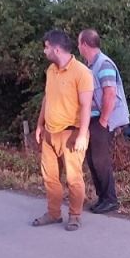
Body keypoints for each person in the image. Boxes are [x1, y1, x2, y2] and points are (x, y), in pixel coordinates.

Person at [33, 30, 94, 231]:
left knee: (73, 178)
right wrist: (40, 125)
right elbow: (47, 98)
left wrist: (82, 135)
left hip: (71, 133)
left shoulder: (82, 72)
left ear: (56, 49)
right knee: (50, 177)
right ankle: (53, 213)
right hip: (50, 133)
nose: (44, 51)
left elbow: (86, 106)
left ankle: (75, 216)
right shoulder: (51, 70)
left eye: (46, 47)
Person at [77, 29, 130, 214]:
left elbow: (110, 94)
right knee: (92, 159)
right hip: (95, 119)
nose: (78, 47)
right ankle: (102, 198)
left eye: (79, 43)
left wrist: (103, 121)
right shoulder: (91, 65)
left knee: (100, 160)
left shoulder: (103, 64)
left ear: (85, 44)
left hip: (104, 120)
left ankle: (110, 200)